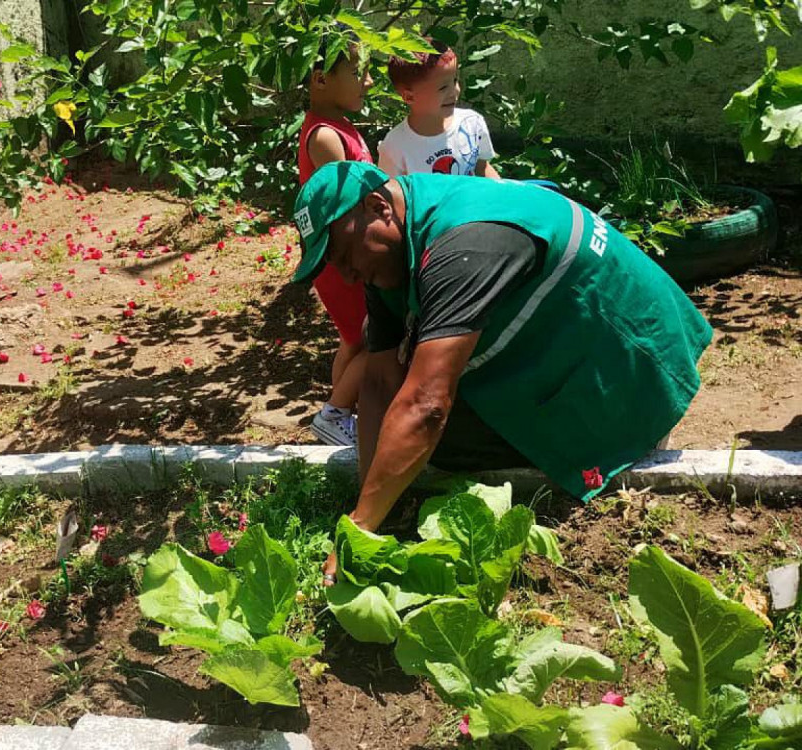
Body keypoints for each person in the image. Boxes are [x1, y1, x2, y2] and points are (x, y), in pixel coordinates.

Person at [290, 162, 712, 586]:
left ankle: (630, 433)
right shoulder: (394, 242)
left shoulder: (465, 244)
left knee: (431, 434)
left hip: (628, 358)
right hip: (563, 339)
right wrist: (369, 503)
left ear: (378, 206)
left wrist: (359, 528)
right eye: (333, 264)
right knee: (410, 445)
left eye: (345, 256)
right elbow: (380, 382)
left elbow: (426, 405)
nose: (346, 275)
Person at [298, 34, 375, 448]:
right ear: (320, 79)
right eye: (358, 73)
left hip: (342, 256)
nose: (368, 83)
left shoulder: (339, 128)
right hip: (342, 258)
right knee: (375, 335)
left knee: (353, 338)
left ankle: (342, 412)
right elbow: (349, 203)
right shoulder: (326, 137)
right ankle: (334, 415)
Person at [377, 41, 501, 179]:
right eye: (443, 88)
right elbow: (393, 195)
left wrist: (504, 195)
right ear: (409, 97)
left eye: (455, 81)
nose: (454, 92)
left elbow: (482, 167)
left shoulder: (472, 123)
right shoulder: (394, 146)